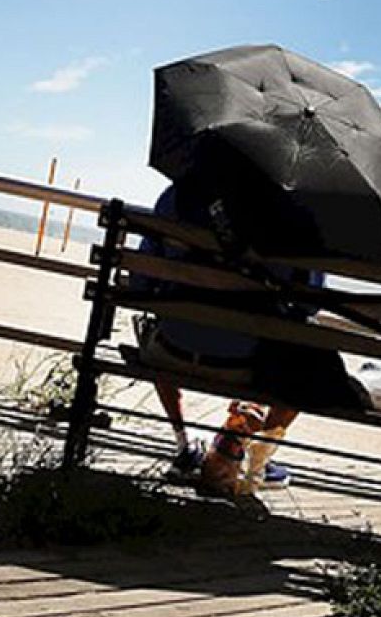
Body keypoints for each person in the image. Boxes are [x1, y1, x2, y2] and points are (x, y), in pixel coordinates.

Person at [133, 180, 365, 494]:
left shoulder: (178, 195)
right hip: (244, 366)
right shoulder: (294, 216)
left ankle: (184, 446)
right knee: (299, 359)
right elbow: (308, 304)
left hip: (170, 351)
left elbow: (141, 279)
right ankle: (257, 461)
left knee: (165, 327)